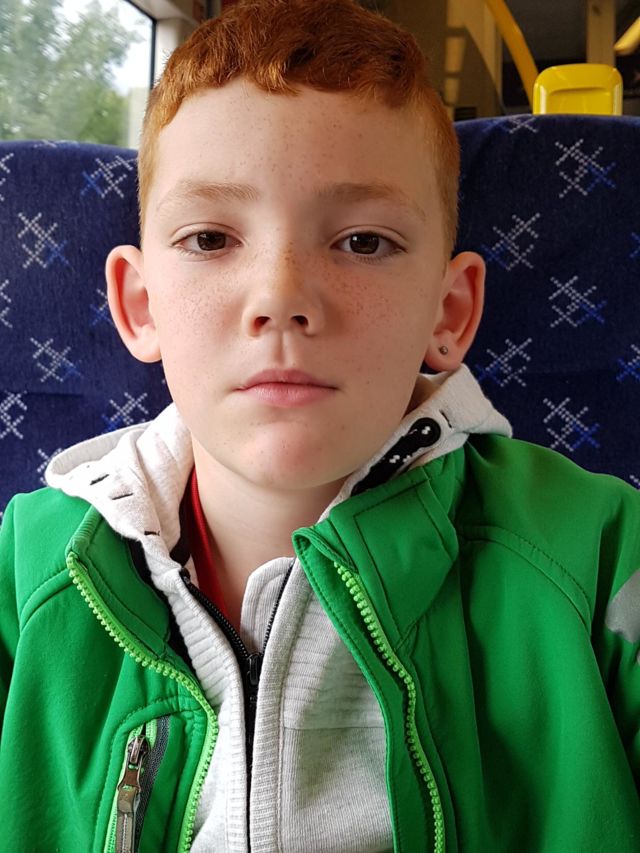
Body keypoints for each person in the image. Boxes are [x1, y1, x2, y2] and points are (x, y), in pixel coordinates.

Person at [1, 0, 639, 850]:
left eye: (363, 242)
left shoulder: (601, 557)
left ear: (448, 314)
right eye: (210, 237)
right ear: (141, 304)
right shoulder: (29, 572)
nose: (280, 297)